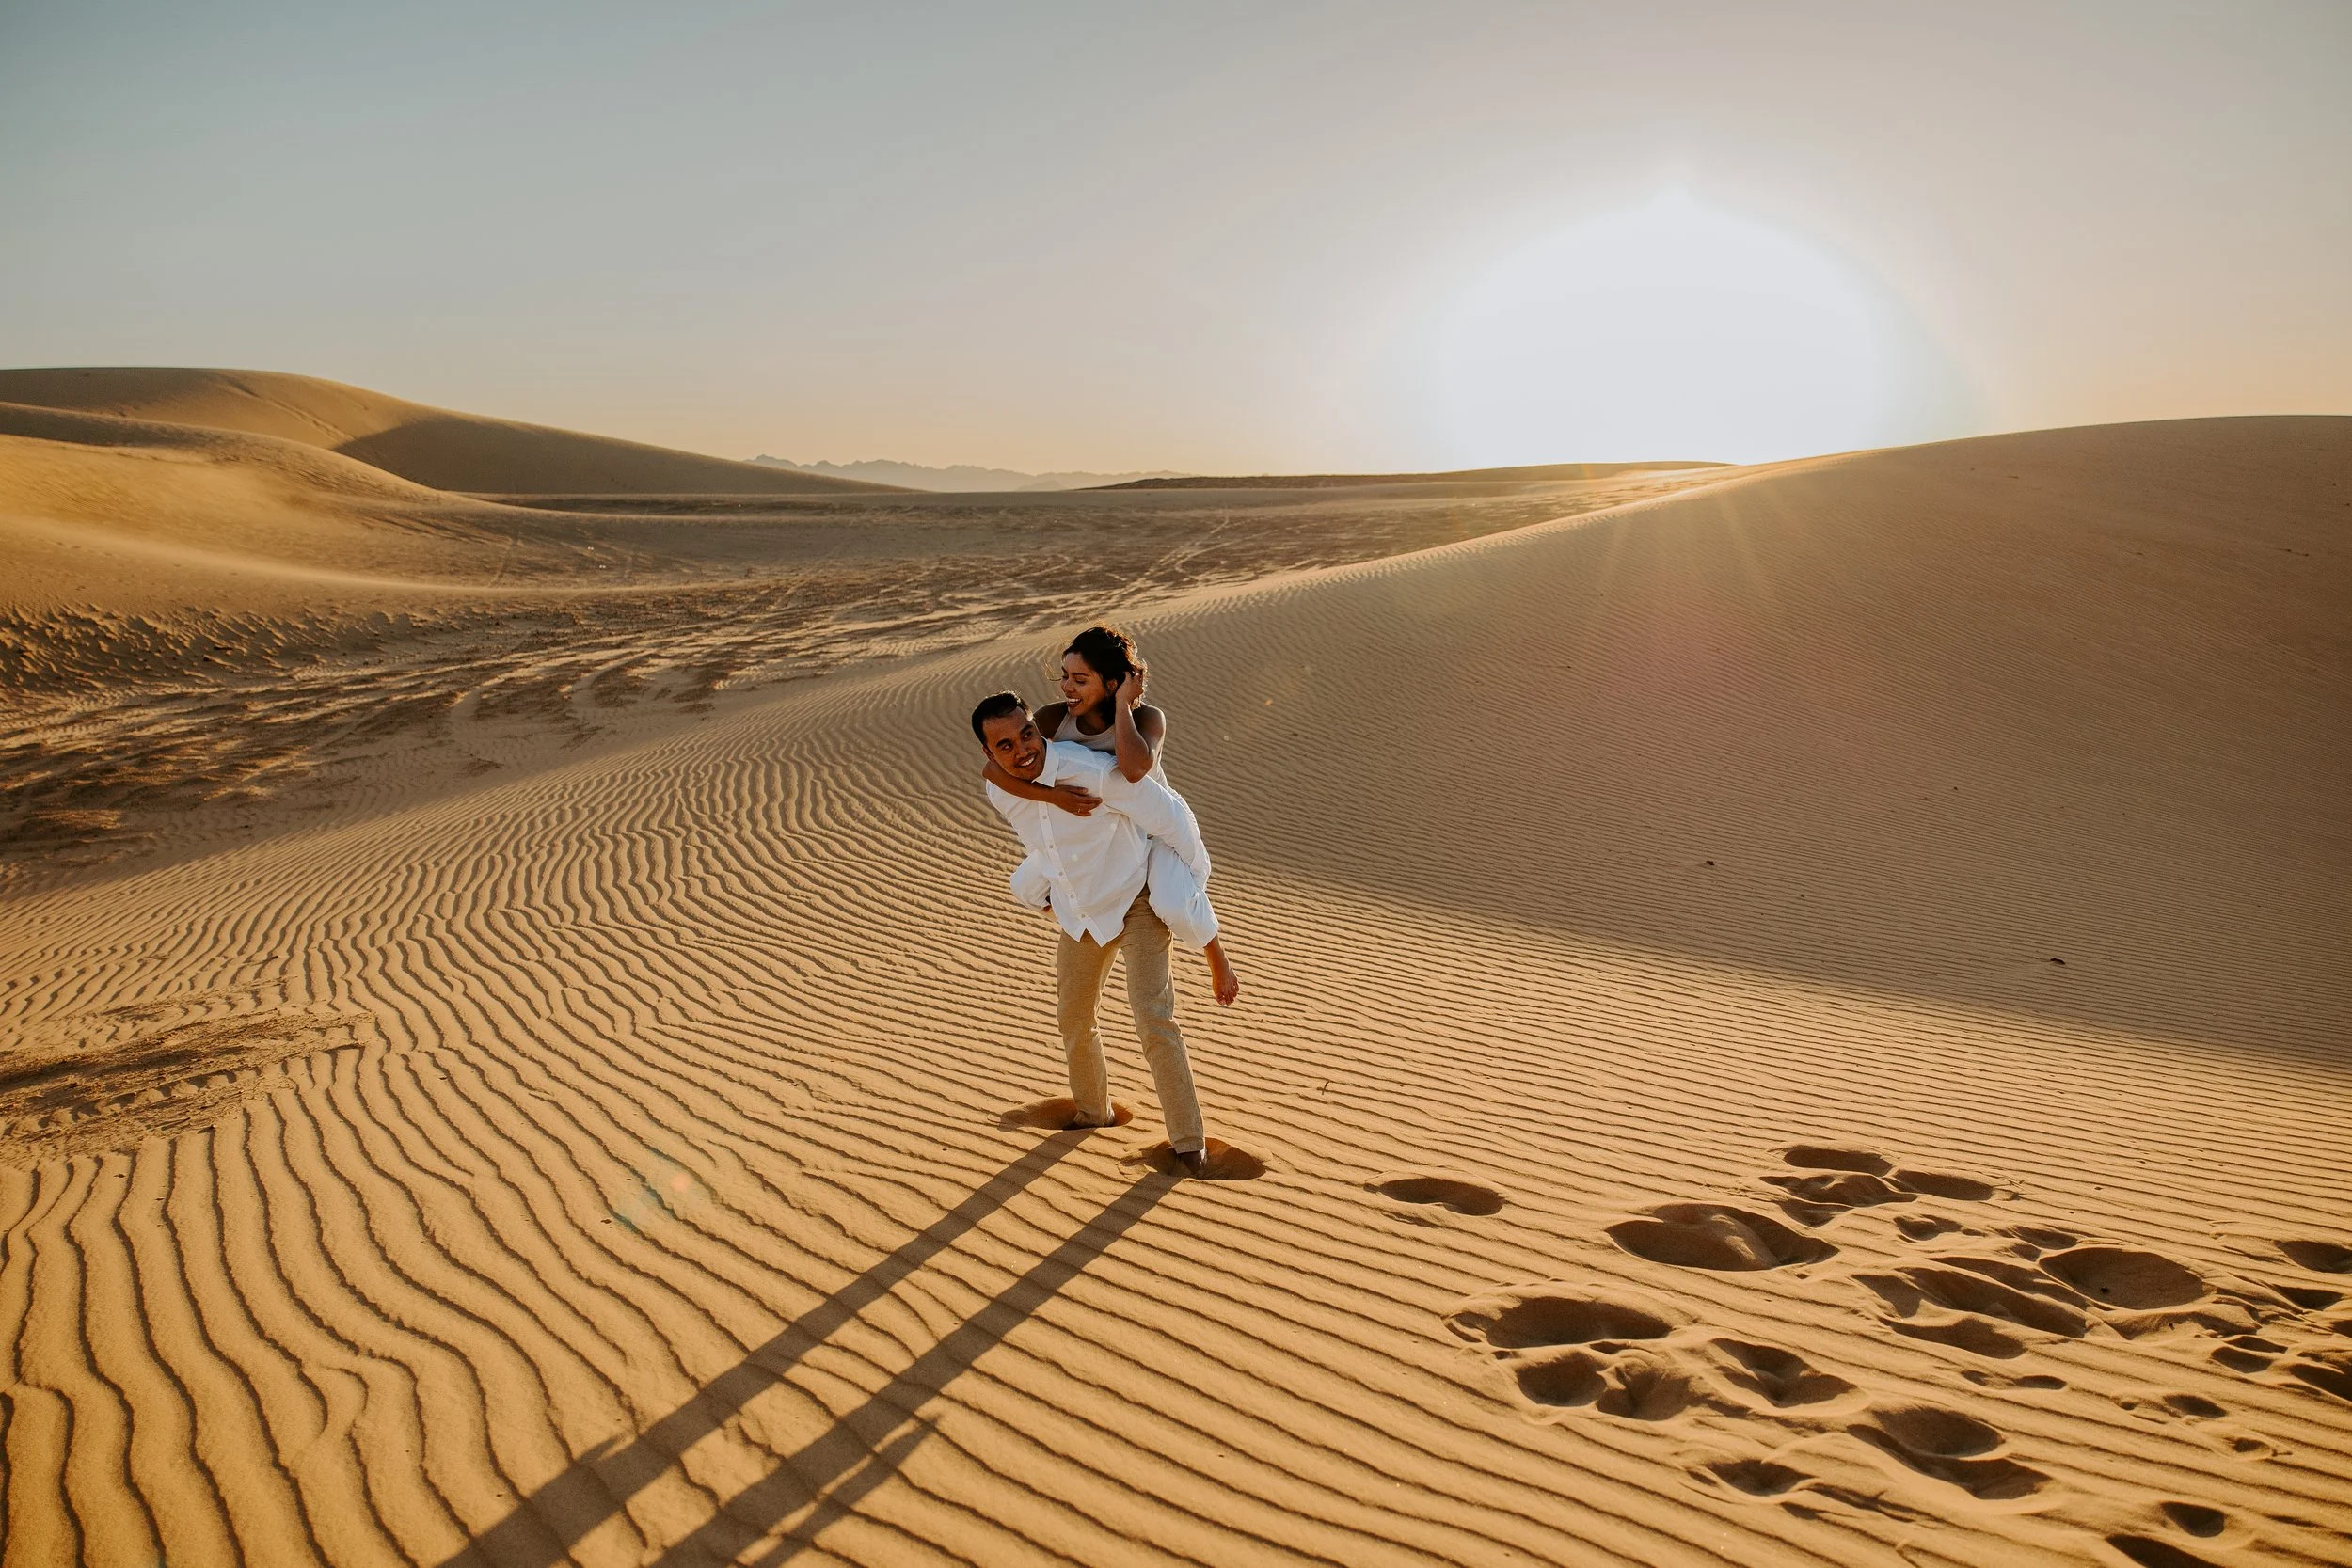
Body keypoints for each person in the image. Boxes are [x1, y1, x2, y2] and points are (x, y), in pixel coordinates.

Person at [971, 689, 1224, 1175]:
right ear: (989, 754)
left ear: (1037, 727)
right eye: (1004, 746)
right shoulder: (1000, 787)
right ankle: (1093, 1112)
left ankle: (1190, 1143)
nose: (1021, 749)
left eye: (1027, 733)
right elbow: (1044, 837)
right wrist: (1055, 896)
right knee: (1073, 1015)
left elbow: (1170, 817)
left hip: (1138, 903)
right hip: (1082, 912)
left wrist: (1191, 883)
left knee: (1154, 1020)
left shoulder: (1092, 772)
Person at [981, 625, 1241, 1005]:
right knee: (1024, 886)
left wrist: (1123, 706)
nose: (1067, 687)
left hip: (1150, 833)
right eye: (1065, 677)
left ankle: (1215, 952)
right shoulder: (1055, 719)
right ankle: (1098, 916)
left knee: (1172, 901)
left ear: (1113, 683)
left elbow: (1133, 770)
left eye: (1080, 679)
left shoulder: (1148, 719)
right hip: (1101, 834)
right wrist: (1052, 796)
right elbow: (994, 769)